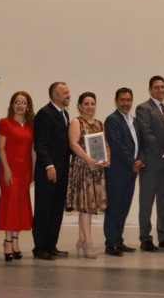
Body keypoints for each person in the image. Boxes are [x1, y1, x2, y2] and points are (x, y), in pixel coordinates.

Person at [135, 76, 164, 252]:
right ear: (150, 90)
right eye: (157, 87)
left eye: (163, 87)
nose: (160, 90)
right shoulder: (143, 108)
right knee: (146, 203)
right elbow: (147, 134)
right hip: (152, 164)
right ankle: (145, 238)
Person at [32, 81, 72, 261]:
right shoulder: (44, 114)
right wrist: (49, 166)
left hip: (62, 171)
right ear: (54, 96)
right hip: (49, 171)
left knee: (56, 209)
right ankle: (40, 248)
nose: (68, 95)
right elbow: (40, 144)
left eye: (68, 92)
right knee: (44, 210)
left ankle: (51, 245)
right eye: (64, 93)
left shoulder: (65, 114)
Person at [65, 91, 108, 258]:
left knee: (90, 205)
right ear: (79, 106)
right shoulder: (76, 122)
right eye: (86, 104)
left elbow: (105, 144)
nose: (90, 107)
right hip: (83, 168)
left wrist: (106, 160)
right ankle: (88, 243)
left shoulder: (99, 123)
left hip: (96, 169)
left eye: (92, 104)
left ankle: (82, 240)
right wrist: (89, 159)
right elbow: (73, 144)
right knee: (86, 206)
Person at [105, 87, 144, 256]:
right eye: (122, 100)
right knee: (114, 207)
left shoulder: (134, 121)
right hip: (118, 171)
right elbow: (117, 144)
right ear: (116, 101)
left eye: (128, 100)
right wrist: (132, 162)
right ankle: (110, 243)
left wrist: (141, 160)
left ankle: (118, 240)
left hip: (131, 171)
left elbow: (141, 144)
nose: (125, 103)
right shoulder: (112, 120)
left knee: (124, 207)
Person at [0, 91, 34, 260]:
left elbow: (33, 151)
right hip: (10, 172)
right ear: (12, 105)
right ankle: (7, 242)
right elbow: (1, 148)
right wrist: (6, 169)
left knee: (19, 206)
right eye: (17, 102)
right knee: (10, 206)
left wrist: (33, 171)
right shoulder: (5, 123)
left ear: (28, 107)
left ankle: (16, 242)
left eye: (23, 102)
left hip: (25, 171)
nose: (20, 105)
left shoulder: (30, 126)